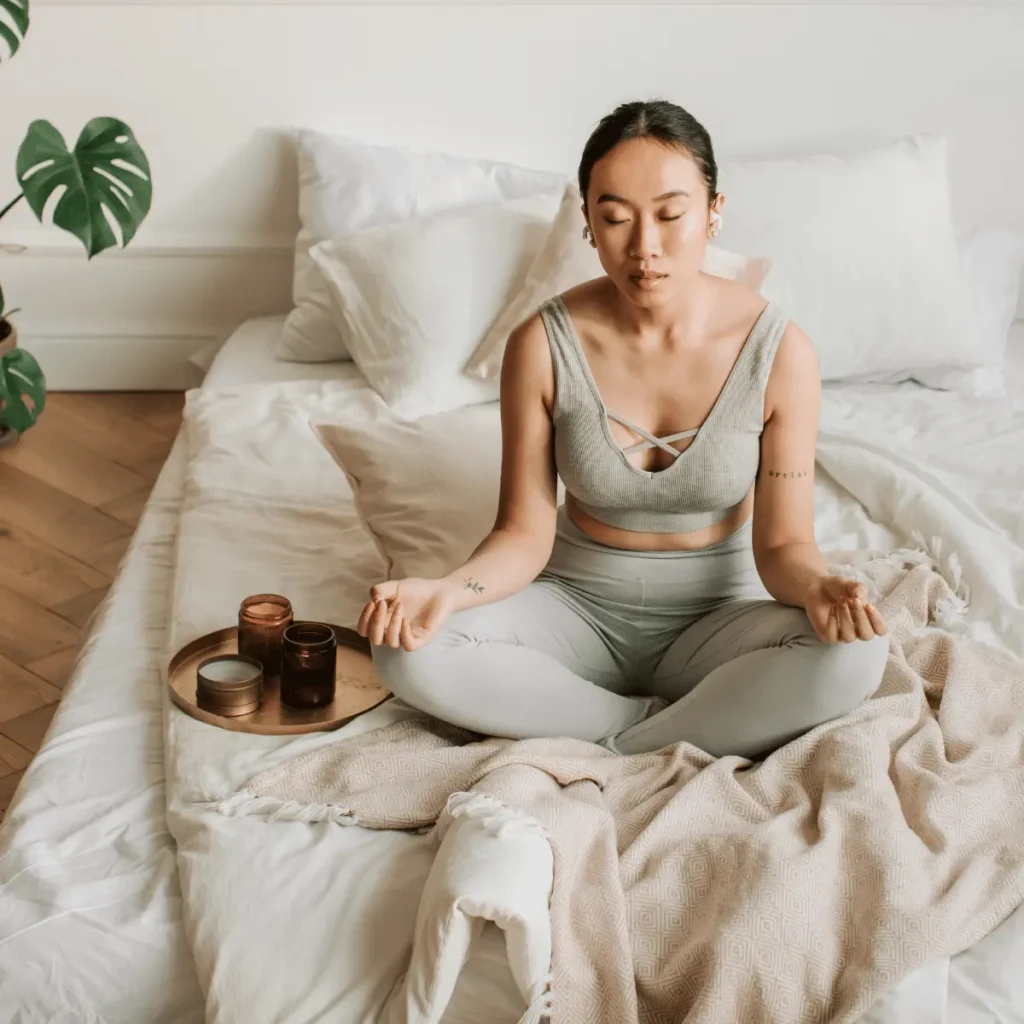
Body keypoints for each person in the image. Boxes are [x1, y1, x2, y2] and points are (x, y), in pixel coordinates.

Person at [357, 99, 889, 760]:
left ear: (715, 210)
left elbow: (782, 547)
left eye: (671, 215)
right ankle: (653, 732)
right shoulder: (542, 345)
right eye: (614, 218)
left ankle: (606, 733)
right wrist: (443, 591)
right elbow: (521, 535)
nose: (646, 248)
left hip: (718, 619)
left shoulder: (781, 352)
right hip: (576, 612)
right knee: (406, 648)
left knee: (857, 655)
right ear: (586, 221)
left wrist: (819, 586)